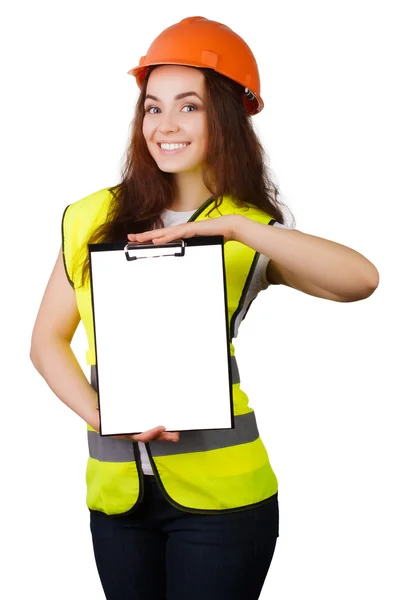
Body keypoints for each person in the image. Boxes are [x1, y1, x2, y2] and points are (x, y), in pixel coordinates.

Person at [30, 16, 379, 600]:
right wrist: (100, 417)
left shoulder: (252, 233)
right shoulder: (90, 217)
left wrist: (240, 226)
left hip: (224, 503)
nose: (165, 125)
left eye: (188, 106)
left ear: (227, 115)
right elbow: (45, 342)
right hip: (117, 499)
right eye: (153, 107)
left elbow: (359, 281)